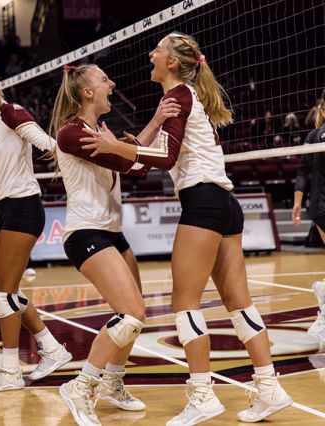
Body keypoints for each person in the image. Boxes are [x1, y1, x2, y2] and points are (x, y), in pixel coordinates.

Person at [80, 32, 293, 425]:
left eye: (158, 50)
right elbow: (147, 161)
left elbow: (164, 157)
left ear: (173, 63)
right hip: (226, 204)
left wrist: (115, 147)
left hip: (203, 204)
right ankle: (270, 388)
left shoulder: (178, 95)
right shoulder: (184, 97)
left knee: (184, 305)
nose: (151, 54)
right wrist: (124, 147)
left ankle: (202, 395)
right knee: (240, 304)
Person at [50, 63, 179, 424]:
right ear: (87, 92)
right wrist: (156, 121)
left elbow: (131, 157)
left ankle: (112, 382)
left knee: (136, 317)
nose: (112, 83)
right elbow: (131, 164)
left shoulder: (99, 132)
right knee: (131, 313)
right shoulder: (71, 133)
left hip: (111, 232)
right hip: (85, 233)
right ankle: (81, 385)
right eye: (104, 80)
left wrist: (141, 135)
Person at [0, 67, 72, 392]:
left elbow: (45, 143)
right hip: (1, 208)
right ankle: (51, 348)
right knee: (7, 289)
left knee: (5, 294)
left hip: (23, 205)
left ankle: (10, 371)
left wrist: (69, 156)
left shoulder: (11, 112)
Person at [292, 97, 325, 343]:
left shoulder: (313, 136)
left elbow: (302, 171)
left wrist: (297, 203)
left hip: (319, 207)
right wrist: (296, 203)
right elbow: (303, 171)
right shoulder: (315, 136)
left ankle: (323, 295)